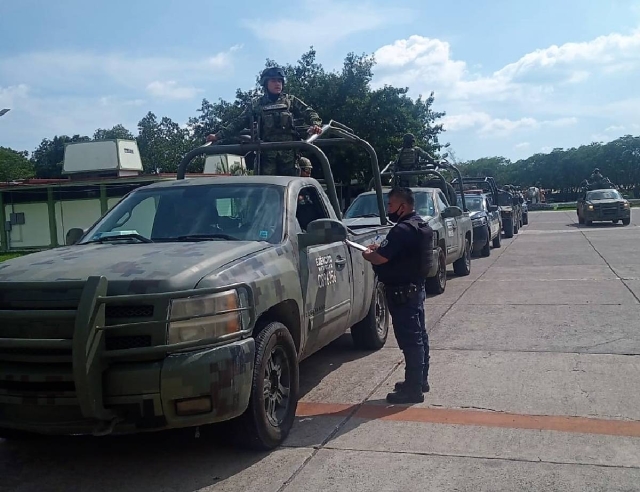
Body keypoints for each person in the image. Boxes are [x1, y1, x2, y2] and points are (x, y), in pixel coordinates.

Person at [362, 187, 433, 404]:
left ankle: (413, 390)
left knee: (410, 341)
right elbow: (398, 253)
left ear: (402, 206)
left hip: (403, 294)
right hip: (416, 290)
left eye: (391, 205)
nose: (388, 209)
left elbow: (381, 258)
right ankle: (419, 380)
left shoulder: (402, 230)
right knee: (419, 337)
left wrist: (368, 255)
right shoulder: (420, 225)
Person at [206, 66, 323, 176]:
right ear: (265, 83)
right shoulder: (257, 104)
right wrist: (218, 136)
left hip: (289, 152)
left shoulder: (290, 100)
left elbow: (309, 112)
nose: (277, 84)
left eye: (279, 81)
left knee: (290, 186)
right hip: (267, 153)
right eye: (273, 81)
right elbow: (239, 122)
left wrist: (315, 125)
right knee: (267, 187)